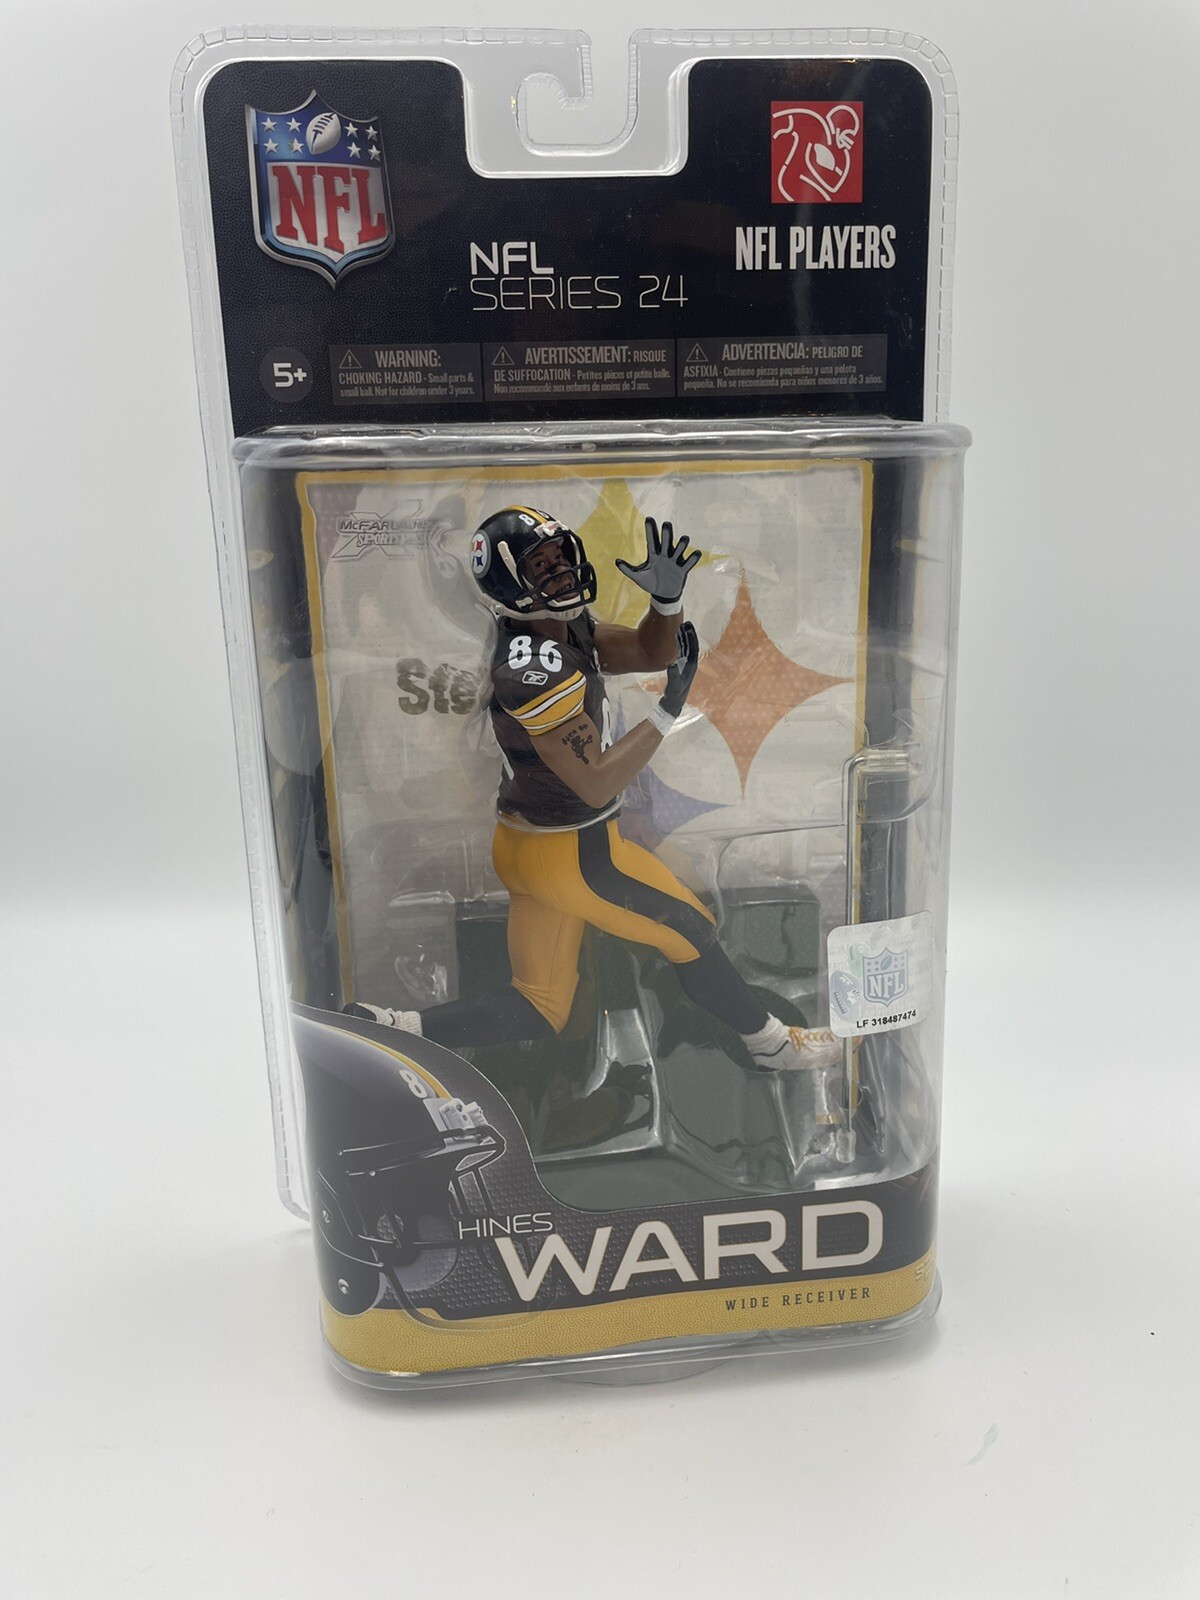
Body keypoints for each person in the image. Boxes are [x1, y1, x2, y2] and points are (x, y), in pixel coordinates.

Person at [348, 505, 839, 1076]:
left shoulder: (558, 629)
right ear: (508, 581)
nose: (559, 570)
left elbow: (652, 651)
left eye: (559, 556)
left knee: (542, 1005)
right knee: (689, 927)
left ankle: (394, 1028)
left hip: (527, 846)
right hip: (574, 853)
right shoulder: (531, 670)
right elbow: (598, 778)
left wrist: (666, 602)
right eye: (540, 565)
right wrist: (667, 708)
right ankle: (772, 1044)